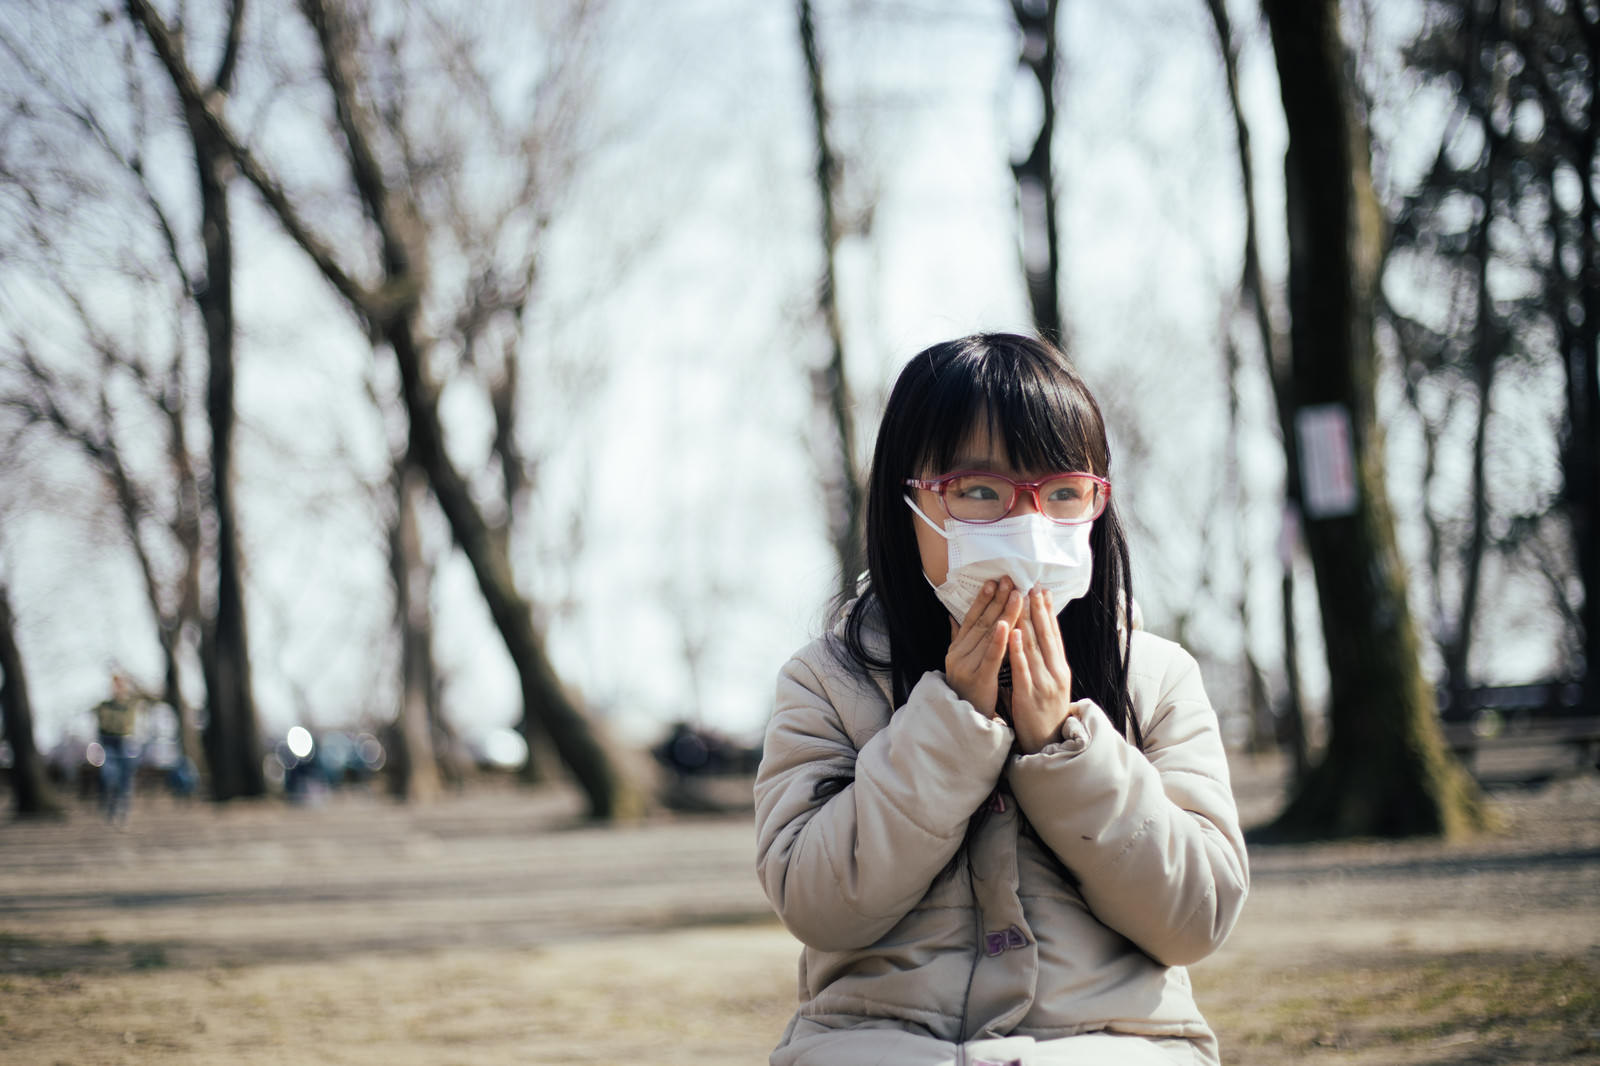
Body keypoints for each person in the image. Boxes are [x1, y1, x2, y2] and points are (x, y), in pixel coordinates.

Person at [754, 334, 1249, 1066]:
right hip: (879, 1043)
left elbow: (1196, 918)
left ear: (1096, 504)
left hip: (1113, 1044)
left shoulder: (1155, 676)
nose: (1027, 524)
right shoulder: (828, 681)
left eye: (1061, 494)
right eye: (979, 491)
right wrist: (951, 722)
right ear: (909, 504)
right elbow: (818, 904)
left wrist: (1064, 748)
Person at [93, 673, 143, 823]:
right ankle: (111, 809)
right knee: (110, 777)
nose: (118, 688)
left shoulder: (131, 705)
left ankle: (123, 813)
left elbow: (125, 724)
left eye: (121, 685)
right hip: (108, 742)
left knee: (126, 780)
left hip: (126, 742)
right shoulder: (104, 706)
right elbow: (104, 724)